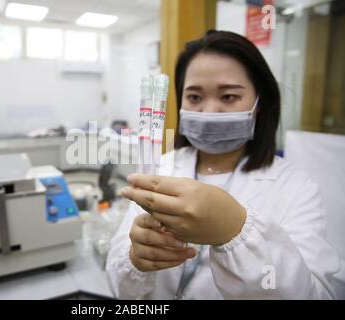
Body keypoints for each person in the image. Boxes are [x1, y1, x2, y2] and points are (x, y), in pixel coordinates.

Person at [105, 30, 340, 299]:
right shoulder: (161, 168)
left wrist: (235, 231)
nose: (209, 111)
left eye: (228, 97)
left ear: (259, 104)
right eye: (194, 97)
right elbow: (117, 285)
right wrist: (137, 259)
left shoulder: (296, 187)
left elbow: (315, 295)